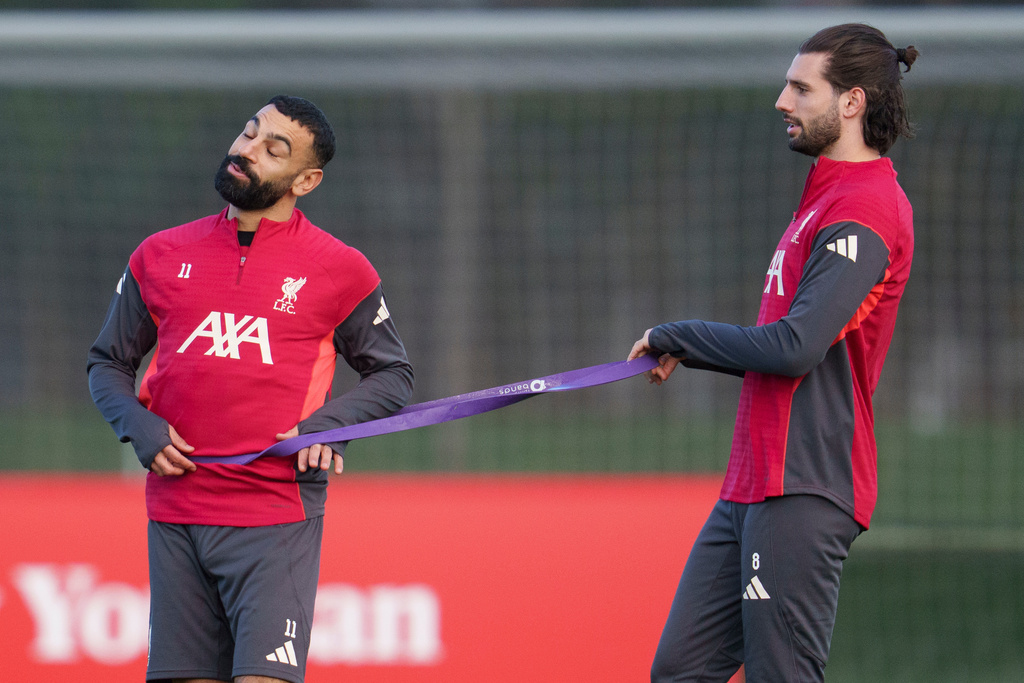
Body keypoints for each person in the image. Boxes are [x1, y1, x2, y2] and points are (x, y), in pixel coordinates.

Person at [88, 95, 414, 683]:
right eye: (248, 133)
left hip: (276, 516)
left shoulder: (341, 268)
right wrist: (138, 428)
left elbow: (394, 375)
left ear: (307, 180)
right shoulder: (158, 254)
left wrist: (327, 429)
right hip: (175, 515)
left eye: (273, 149)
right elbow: (106, 364)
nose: (246, 151)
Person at [628, 25, 918, 682]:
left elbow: (794, 348)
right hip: (753, 483)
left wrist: (681, 335)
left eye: (800, 87)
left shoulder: (867, 206)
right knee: (680, 669)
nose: (781, 101)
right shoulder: (826, 192)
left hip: (805, 484)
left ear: (851, 102)